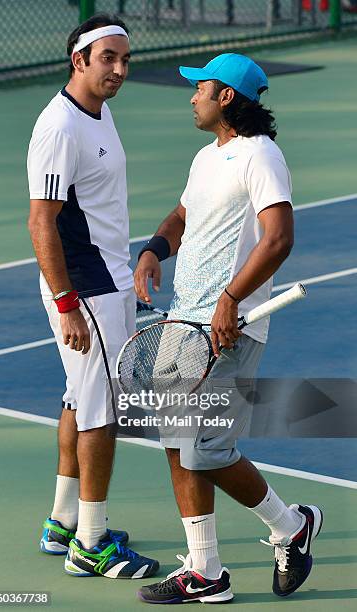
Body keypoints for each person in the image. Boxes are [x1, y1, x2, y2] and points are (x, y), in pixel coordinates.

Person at [134, 54, 323, 603]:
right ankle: (206, 570)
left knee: (209, 450)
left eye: (201, 88)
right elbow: (182, 215)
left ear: (226, 98)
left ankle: (289, 524)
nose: (191, 96)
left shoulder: (262, 155)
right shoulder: (205, 157)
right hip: (181, 319)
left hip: (228, 328)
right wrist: (153, 250)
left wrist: (231, 299)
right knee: (176, 443)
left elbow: (280, 237)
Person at [27, 13, 159, 580]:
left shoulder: (97, 114)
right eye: (108, 58)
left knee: (78, 401)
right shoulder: (61, 128)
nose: (119, 69)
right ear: (78, 60)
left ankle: (63, 523)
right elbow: (40, 223)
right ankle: (92, 543)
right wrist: (66, 302)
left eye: (125, 59)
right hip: (87, 290)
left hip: (100, 281)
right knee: (101, 417)